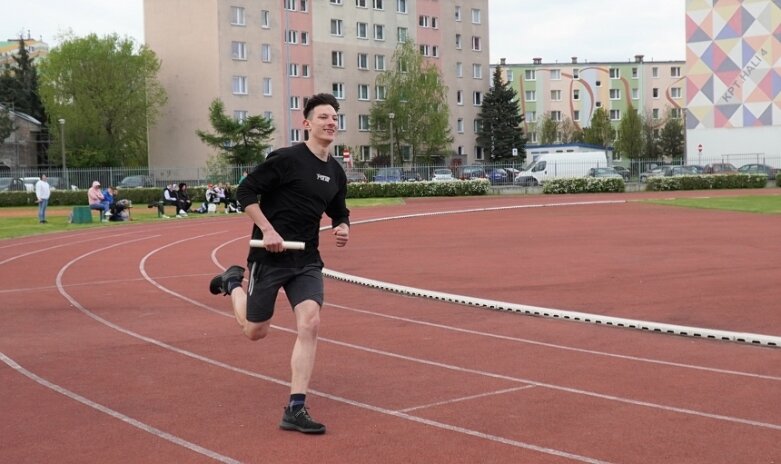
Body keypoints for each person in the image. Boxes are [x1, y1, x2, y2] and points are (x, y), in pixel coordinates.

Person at [209, 93, 350, 435]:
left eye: (334, 117)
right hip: (269, 257)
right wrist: (268, 228)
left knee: (311, 322)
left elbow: (338, 209)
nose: (330, 122)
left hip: (306, 260)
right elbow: (245, 192)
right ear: (306, 124)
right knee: (256, 331)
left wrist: (343, 226)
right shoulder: (285, 159)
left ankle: (296, 408)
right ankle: (232, 284)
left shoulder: (335, 171)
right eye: (322, 117)